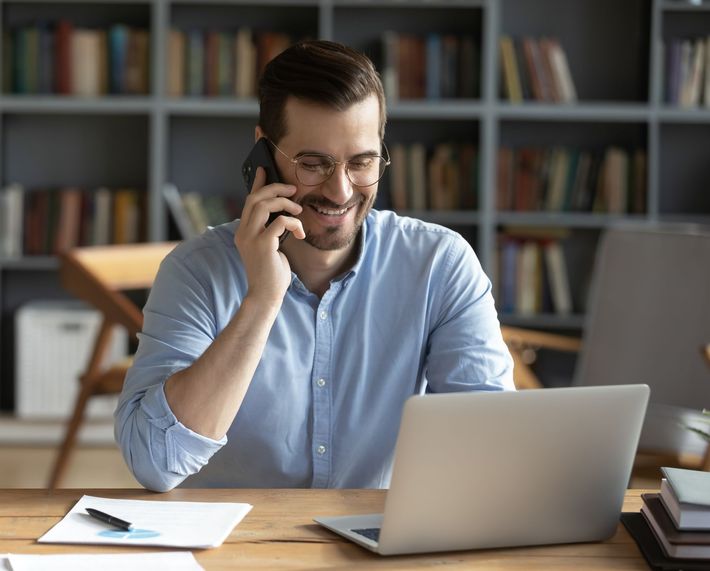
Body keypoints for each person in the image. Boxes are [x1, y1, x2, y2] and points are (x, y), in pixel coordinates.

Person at [115, 40, 514, 492]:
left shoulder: (439, 265)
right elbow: (154, 463)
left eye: (361, 163)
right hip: (238, 548)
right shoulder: (195, 272)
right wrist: (262, 300)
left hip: (375, 548)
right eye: (313, 164)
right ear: (262, 154)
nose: (341, 191)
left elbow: (490, 448)